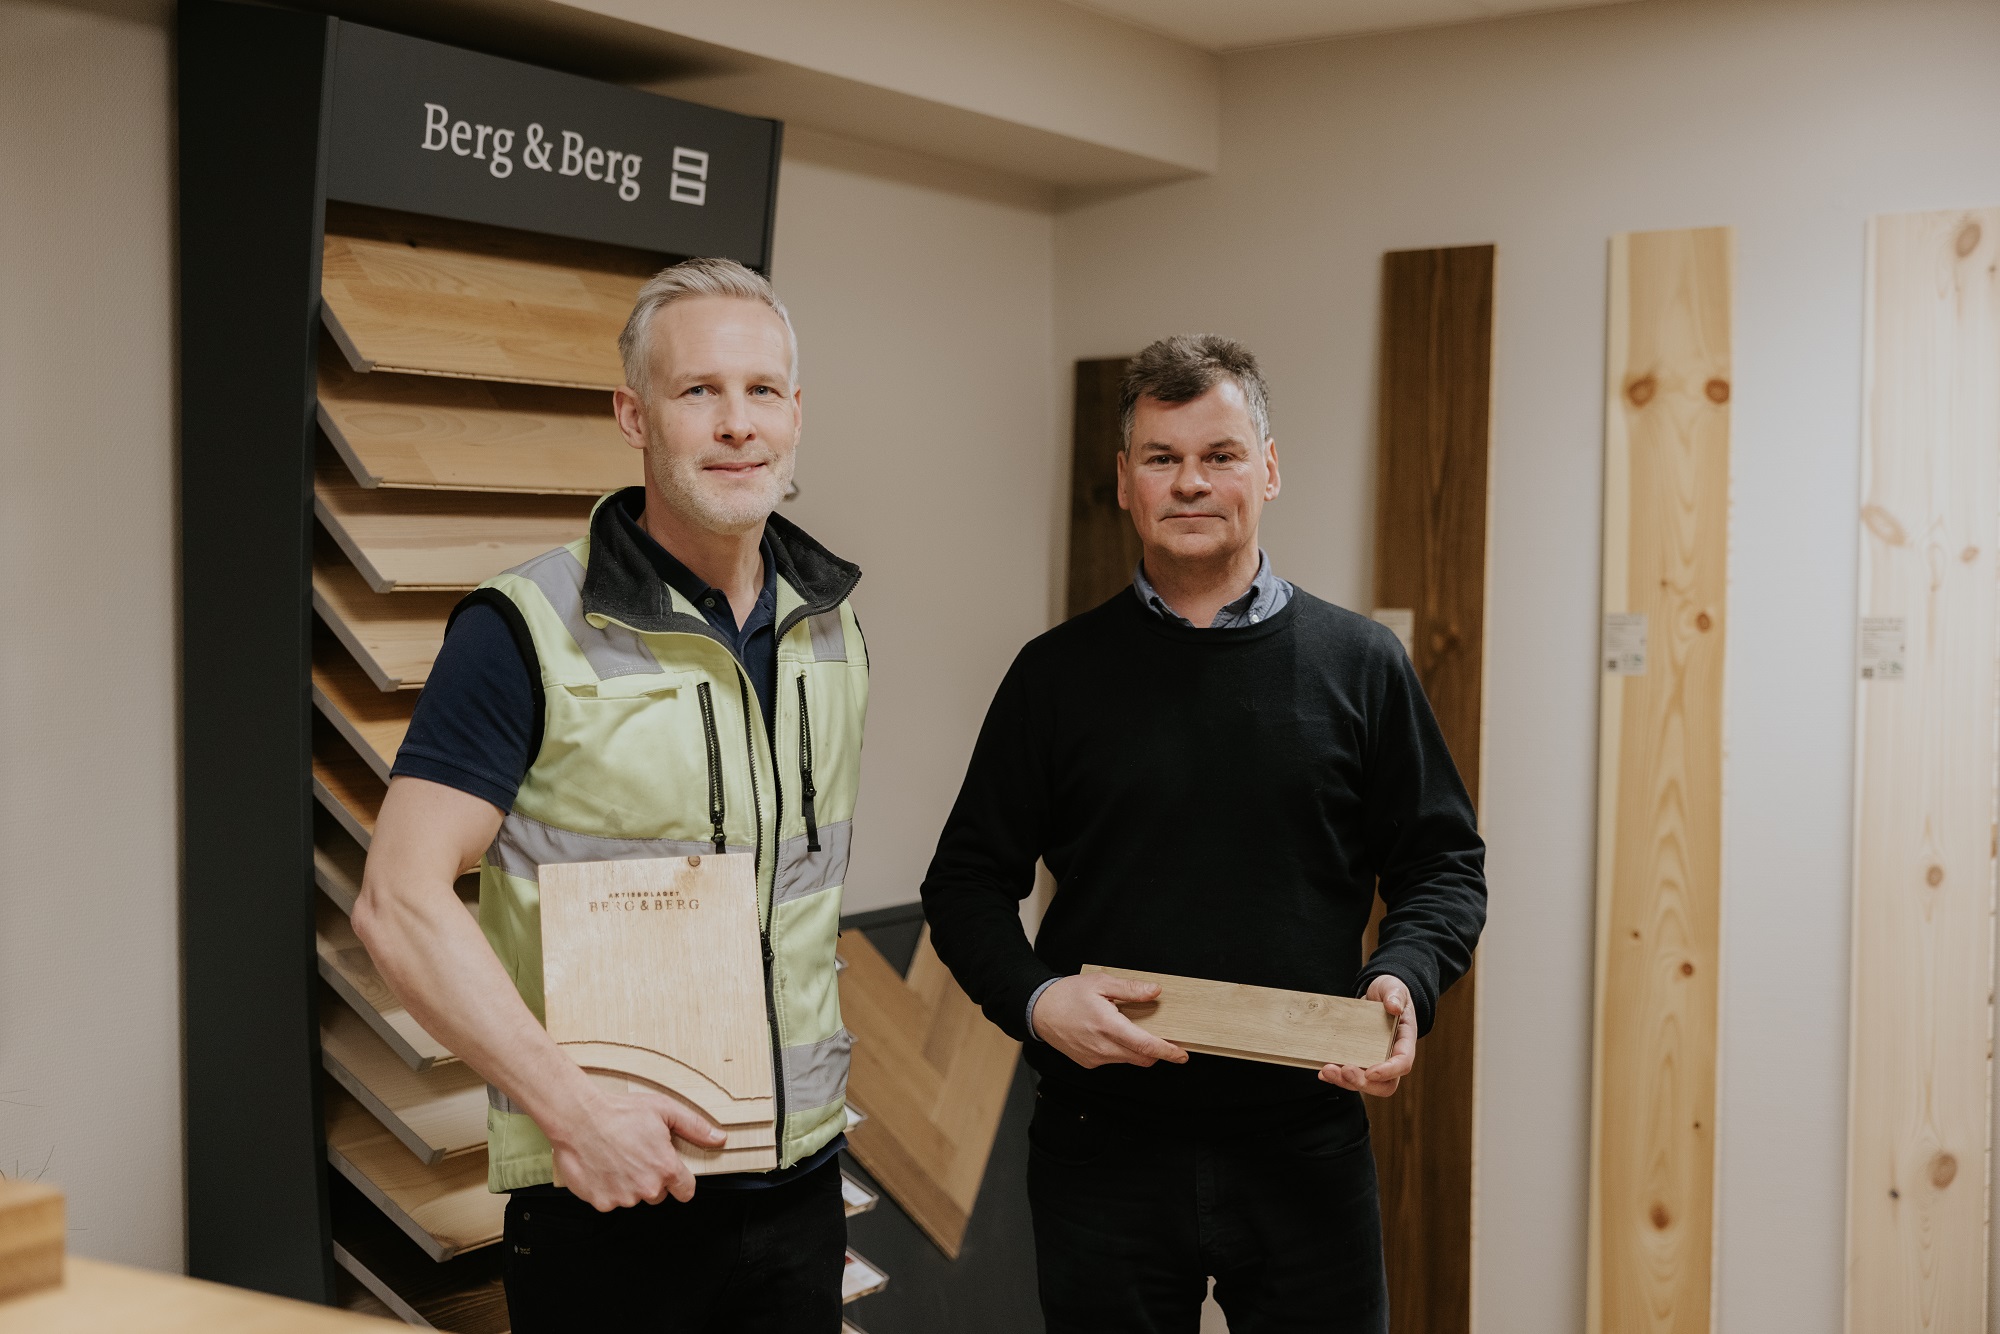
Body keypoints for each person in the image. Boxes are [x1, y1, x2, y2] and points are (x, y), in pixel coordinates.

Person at [920, 334, 1486, 1334]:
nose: (1190, 482)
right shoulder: (1055, 675)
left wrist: (1405, 976)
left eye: (1219, 455)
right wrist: (1038, 1000)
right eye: (1161, 457)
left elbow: (1442, 865)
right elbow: (965, 882)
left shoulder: (1362, 665)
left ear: (1267, 469)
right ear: (1124, 482)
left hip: (1305, 1141)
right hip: (1102, 1146)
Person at [352, 258, 868, 1333]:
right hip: (612, 1197)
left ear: (796, 413)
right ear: (634, 415)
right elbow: (397, 901)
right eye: (698, 391)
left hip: (803, 1191)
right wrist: (573, 1111)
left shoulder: (829, 624)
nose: (736, 422)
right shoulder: (522, 628)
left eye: (761, 390)